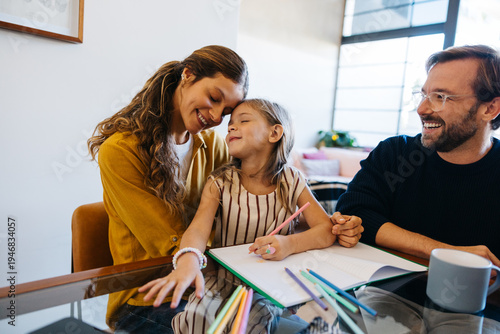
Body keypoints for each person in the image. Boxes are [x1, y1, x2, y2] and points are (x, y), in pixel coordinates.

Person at [139, 99, 363, 333]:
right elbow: (197, 229)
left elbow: (326, 230)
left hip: (269, 286)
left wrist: (288, 244)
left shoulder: (292, 179)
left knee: (250, 326)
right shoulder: (220, 182)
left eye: (243, 121)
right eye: (230, 125)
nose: (231, 128)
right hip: (221, 281)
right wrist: (188, 260)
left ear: (275, 132)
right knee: (194, 321)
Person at [87, 45, 249, 333]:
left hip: (207, 285)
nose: (214, 116)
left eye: (225, 112)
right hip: (146, 298)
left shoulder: (213, 147)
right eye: (213, 98)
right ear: (187, 75)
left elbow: (246, 203)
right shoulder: (121, 150)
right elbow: (171, 242)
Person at [336, 44, 500, 266]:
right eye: (424, 95)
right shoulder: (395, 153)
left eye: (440, 96)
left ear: (490, 109)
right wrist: (445, 252)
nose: (422, 109)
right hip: (386, 291)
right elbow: (354, 213)